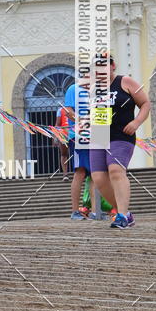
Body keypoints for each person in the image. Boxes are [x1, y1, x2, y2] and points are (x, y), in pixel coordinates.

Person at [89, 54, 150, 230]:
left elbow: (145, 103)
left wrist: (136, 122)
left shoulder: (125, 82)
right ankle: (125, 212)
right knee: (98, 178)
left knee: (115, 170)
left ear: (113, 65)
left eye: (104, 66)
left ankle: (121, 215)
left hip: (122, 134)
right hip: (99, 135)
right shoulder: (94, 89)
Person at [63, 79, 92, 220]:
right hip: (79, 135)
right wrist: (85, 123)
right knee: (80, 171)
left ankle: (95, 210)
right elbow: (68, 111)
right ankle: (75, 211)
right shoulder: (73, 88)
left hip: (98, 135)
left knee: (96, 173)